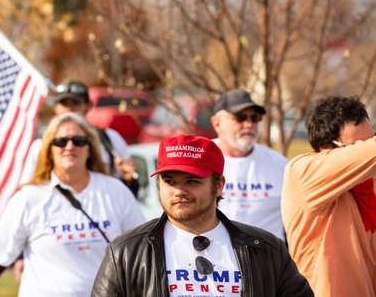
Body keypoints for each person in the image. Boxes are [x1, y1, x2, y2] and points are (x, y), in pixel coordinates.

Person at [91, 134, 314, 297]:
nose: (179, 191)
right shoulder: (126, 252)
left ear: (219, 186)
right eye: (169, 181)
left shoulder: (266, 250)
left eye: (192, 181)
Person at [0, 112, 145, 297]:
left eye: (78, 140)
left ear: (89, 148)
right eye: (61, 141)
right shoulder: (28, 198)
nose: (69, 146)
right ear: (49, 150)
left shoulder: (115, 191)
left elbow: (142, 251)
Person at [281, 96, 376, 297]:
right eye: (358, 147)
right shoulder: (303, 172)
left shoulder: (366, 186)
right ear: (326, 148)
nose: (364, 155)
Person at [21, 80, 139, 196]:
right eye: (64, 103)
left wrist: (128, 178)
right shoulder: (41, 146)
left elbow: (128, 188)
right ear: (56, 107)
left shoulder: (110, 139)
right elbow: (27, 188)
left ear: (89, 105)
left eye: (75, 103)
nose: (70, 109)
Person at [210, 89, 287, 240]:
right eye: (240, 117)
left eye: (255, 117)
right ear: (217, 123)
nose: (249, 124)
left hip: (267, 260)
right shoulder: (201, 160)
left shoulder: (281, 164)